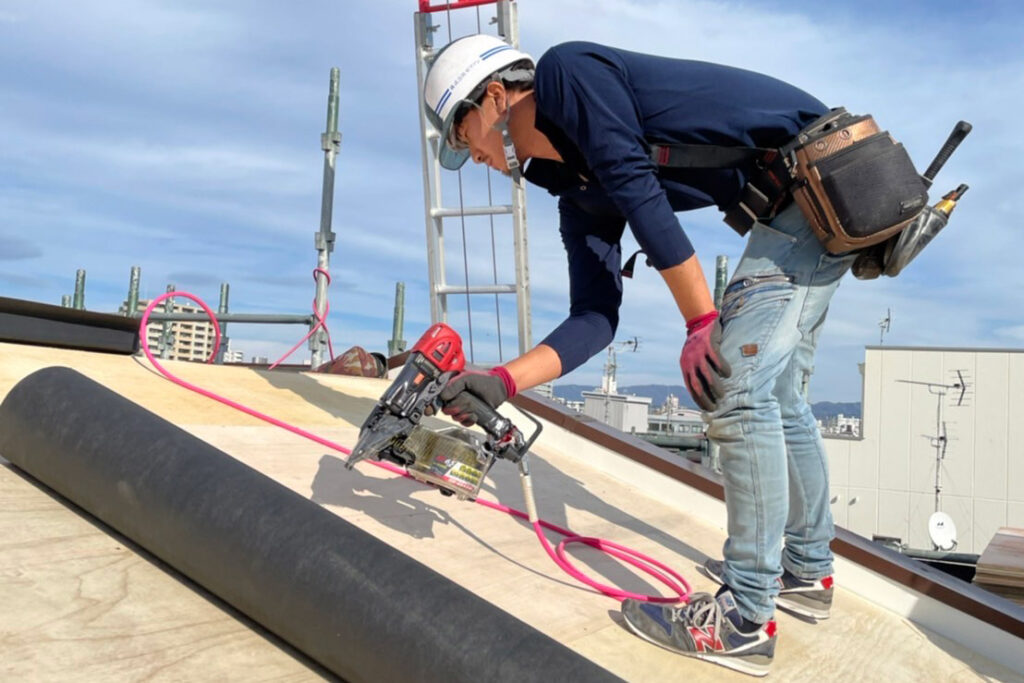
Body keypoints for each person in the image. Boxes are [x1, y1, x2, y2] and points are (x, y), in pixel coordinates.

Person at [423, 34, 845, 677]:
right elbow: (596, 318)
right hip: (815, 193)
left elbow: (636, 182)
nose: (471, 157)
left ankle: (743, 620)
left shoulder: (568, 76)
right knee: (778, 394)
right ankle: (808, 574)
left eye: (462, 140)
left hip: (820, 169)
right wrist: (503, 381)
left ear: (494, 98)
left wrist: (702, 321)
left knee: (730, 386)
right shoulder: (577, 193)